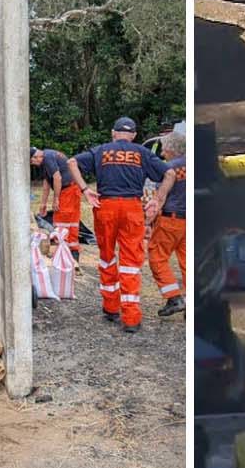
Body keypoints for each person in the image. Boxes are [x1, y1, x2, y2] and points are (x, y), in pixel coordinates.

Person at [67, 117, 170, 333]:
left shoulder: (101, 150)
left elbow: (72, 162)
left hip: (106, 206)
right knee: (130, 262)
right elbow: (169, 173)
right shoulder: (142, 152)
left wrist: (85, 190)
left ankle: (111, 307)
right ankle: (131, 318)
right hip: (132, 208)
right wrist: (158, 199)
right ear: (133, 135)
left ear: (113, 133)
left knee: (106, 256)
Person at [145, 133, 187, 317]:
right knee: (187, 262)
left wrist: (147, 221)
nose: (162, 153)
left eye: (163, 149)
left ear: (171, 149)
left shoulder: (169, 169)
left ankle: (173, 298)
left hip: (171, 219)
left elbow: (159, 198)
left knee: (157, 257)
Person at [31, 147, 81, 261]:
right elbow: (47, 183)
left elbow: (57, 178)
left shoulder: (48, 158)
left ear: (36, 156)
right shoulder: (46, 159)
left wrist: (56, 199)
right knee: (70, 222)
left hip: (68, 191)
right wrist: (43, 203)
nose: (33, 164)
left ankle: (65, 254)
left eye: (32, 162)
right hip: (71, 189)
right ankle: (71, 254)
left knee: (61, 221)